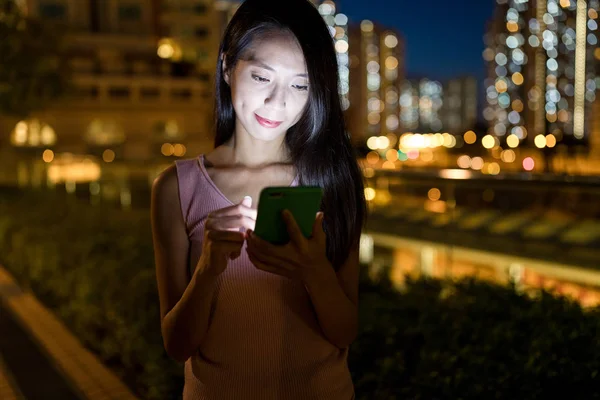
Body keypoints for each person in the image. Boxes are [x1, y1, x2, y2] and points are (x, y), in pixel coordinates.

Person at [151, 0, 366, 398]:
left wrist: (313, 271)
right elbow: (177, 346)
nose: (277, 102)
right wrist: (208, 271)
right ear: (227, 66)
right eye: (261, 76)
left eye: (300, 85)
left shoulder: (332, 180)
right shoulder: (176, 188)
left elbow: (345, 332)